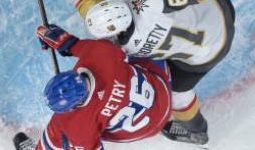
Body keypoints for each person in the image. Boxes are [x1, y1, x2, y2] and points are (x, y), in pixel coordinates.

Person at [28, 0, 236, 146]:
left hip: (203, 47)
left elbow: (86, 0)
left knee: (180, 96)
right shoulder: (143, 2)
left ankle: (198, 133)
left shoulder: (117, 50)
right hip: (214, 19)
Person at [13, 23, 172, 150]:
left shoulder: (76, 124)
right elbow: (72, 44)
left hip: (145, 129)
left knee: (59, 127)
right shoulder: (101, 53)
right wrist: (58, 38)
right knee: (141, 41)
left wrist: (76, 144)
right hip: (163, 93)